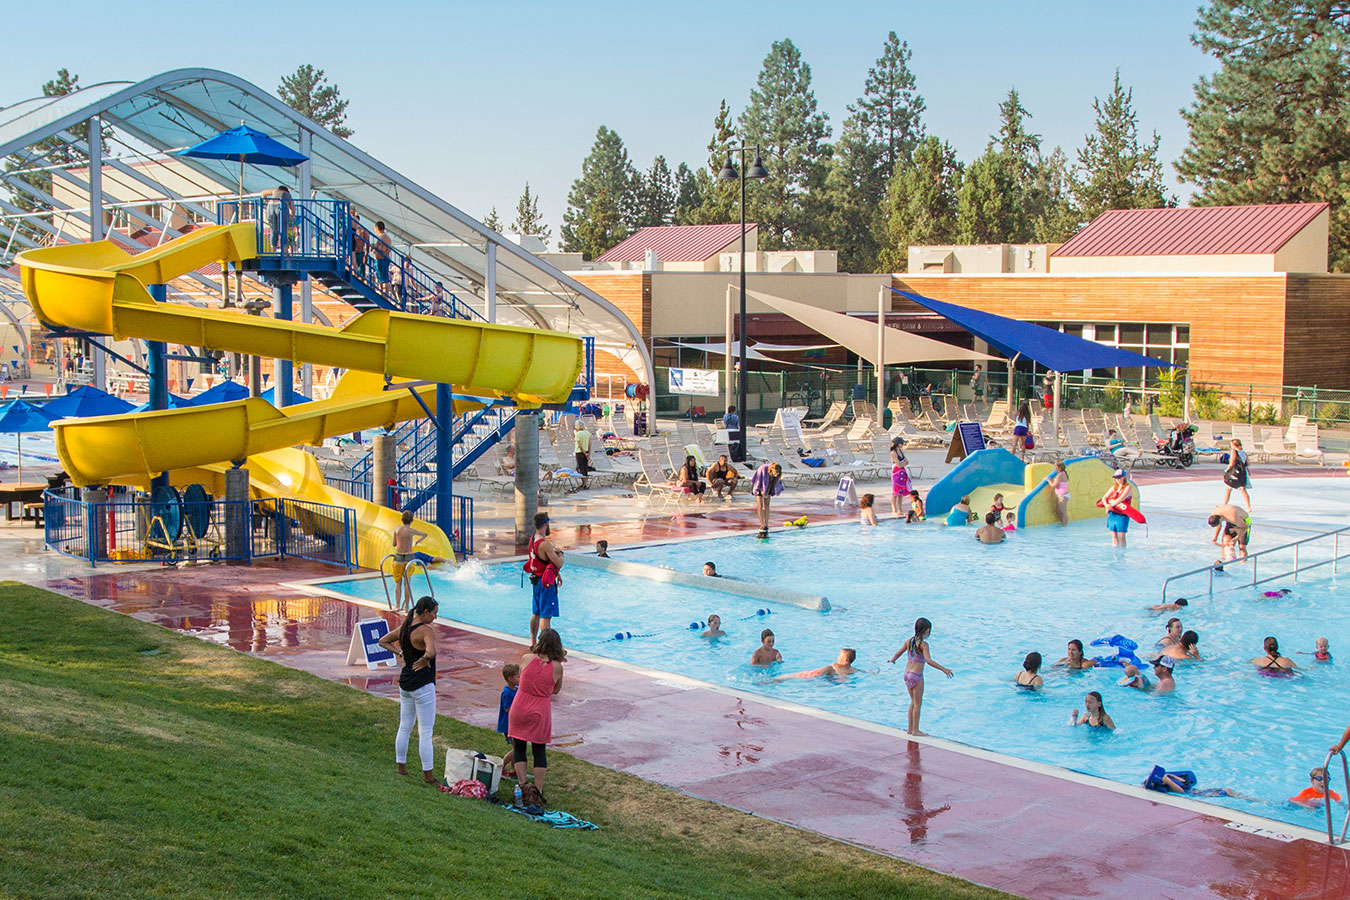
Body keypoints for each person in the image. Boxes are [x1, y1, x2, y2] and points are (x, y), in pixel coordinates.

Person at [376, 596, 440, 784]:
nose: (435, 617)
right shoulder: (426, 631)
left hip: (405, 683)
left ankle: (401, 767)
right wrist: (426, 658)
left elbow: (383, 641)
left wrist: (401, 653)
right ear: (426, 612)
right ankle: (428, 775)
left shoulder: (405, 627)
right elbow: (432, 651)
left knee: (405, 726)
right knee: (426, 731)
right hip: (423, 684)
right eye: (434, 613)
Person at [508, 628, 566, 807]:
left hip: (519, 706)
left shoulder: (526, 658)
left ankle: (523, 785)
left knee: (519, 747)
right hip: (539, 710)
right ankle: (537, 791)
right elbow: (556, 690)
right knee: (539, 750)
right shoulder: (557, 667)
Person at [889, 617, 953, 736]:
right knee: (918, 703)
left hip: (907, 674)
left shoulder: (909, 641)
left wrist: (893, 660)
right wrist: (944, 669)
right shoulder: (924, 645)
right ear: (927, 631)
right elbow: (928, 661)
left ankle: (910, 728)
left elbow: (898, 653)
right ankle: (916, 730)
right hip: (916, 676)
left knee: (912, 702)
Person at [523, 513, 564, 646]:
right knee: (545, 617)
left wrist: (555, 574)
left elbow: (541, 562)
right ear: (546, 524)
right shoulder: (544, 544)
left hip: (536, 581)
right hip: (546, 584)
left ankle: (533, 643)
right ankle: (545, 647)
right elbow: (558, 563)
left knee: (536, 613)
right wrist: (562, 556)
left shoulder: (532, 539)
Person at [390, 510, 427, 610]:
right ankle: (406, 607)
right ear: (411, 520)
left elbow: (394, 544)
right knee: (407, 583)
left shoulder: (397, 530)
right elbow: (425, 534)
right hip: (409, 558)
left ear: (402, 519)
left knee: (398, 584)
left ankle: (397, 606)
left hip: (398, 557)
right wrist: (417, 541)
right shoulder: (412, 531)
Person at [776, 648, 858, 681]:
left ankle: (781, 678)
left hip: (830, 677)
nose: (838, 657)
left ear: (845, 659)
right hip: (836, 681)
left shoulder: (835, 665)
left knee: (828, 668)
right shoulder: (853, 670)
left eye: (839, 656)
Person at [1100, 469, 1134, 548]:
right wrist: (1106, 505)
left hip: (1122, 514)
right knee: (1114, 535)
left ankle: (1122, 553)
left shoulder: (1128, 487)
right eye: (1116, 478)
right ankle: (1115, 551)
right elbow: (1104, 497)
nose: (1117, 480)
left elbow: (1121, 499)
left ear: (1124, 477)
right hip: (1113, 513)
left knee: (1121, 536)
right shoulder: (1114, 487)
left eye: (1119, 477)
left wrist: (1110, 506)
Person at [498, 663, 521, 771]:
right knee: (517, 749)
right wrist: (518, 702)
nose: (520, 678)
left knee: (516, 747)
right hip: (509, 726)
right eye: (518, 677)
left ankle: (513, 769)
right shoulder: (506, 693)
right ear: (510, 679)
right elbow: (507, 708)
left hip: (515, 724)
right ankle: (501, 766)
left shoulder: (516, 689)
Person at [751, 462, 783, 537]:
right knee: (760, 505)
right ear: (772, 470)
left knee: (767, 504)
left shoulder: (777, 473)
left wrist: (767, 492)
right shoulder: (763, 469)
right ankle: (762, 524)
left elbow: (774, 483)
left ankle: (766, 524)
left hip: (768, 485)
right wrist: (762, 492)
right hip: (758, 485)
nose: (777, 474)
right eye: (776, 472)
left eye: (778, 473)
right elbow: (758, 481)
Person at [1222, 438, 1252, 509]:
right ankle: (1248, 506)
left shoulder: (1234, 451)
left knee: (1228, 489)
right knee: (1243, 490)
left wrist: (1226, 471)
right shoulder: (1243, 452)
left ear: (1233, 445)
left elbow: (1231, 463)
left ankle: (1224, 505)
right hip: (1242, 472)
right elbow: (1247, 463)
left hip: (1234, 472)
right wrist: (1248, 471)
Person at [889, 437, 912, 517]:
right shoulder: (893, 452)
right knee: (895, 492)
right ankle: (894, 510)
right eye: (901, 443)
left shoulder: (900, 451)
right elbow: (898, 464)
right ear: (897, 444)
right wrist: (903, 463)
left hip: (902, 472)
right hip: (896, 473)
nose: (902, 445)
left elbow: (907, 461)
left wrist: (903, 464)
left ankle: (900, 510)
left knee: (900, 493)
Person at [1045, 461, 1071, 526]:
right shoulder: (1063, 473)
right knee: (1057, 511)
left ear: (1059, 468)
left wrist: (1048, 480)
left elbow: (1054, 485)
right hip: (1061, 495)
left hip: (1063, 496)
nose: (1054, 467)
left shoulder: (1060, 475)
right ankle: (1063, 524)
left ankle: (1064, 527)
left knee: (1063, 513)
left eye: (1055, 466)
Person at [372, 220, 394, 285]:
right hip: (380, 260)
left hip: (382, 260)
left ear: (377, 228)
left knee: (383, 279)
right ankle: (382, 291)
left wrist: (375, 246)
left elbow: (385, 249)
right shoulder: (382, 236)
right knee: (380, 279)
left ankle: (384, 293)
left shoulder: (383, 236)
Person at [350, 208, 369, 278]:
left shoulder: (363, 230)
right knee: (353, 267)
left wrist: (366, 255)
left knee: (361, 271)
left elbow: (367, 243)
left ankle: (361, 280)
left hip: (360, 252)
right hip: (354, 251)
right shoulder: (352, 230)